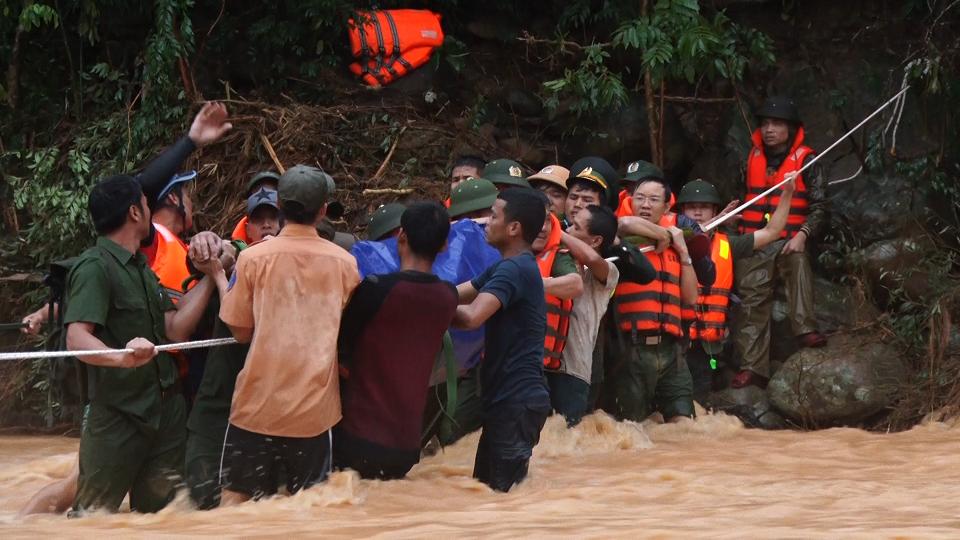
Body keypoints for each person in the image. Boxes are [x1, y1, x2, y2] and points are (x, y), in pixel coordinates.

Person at [64, 175, 226, 514]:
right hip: (118, 416)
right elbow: (76, 337)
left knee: (161, 518)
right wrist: (122, 358)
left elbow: (175, 329)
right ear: (135, 213)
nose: (152, 209)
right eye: (147, 202)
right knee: (92, 519)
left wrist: (212, 276)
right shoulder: (95, 267)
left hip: (165, 410)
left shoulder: (142, 267)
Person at [219, 165, 360, 505]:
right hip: (313, 415)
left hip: (256, 408)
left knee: (234, 504)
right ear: (324, 210)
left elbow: (239, 331)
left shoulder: (252, 259)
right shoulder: (346, 264)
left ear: (279, 205)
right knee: (310, 512)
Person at [335, 202, 458, 479]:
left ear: (401, 236)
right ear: (444, 247)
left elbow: (340, 344)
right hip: (406, 444)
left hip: (358, 435)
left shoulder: (377, 289)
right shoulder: (447, 297)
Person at [184, 188, 281, 510]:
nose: (266, 226)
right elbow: (222, 251)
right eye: (259, 220)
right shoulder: (239, 255)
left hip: (267, 404)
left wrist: (216, 272)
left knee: (259, 499)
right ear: (248, 228)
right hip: (218, 398)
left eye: (273, 219)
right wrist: (207, 244)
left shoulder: (295, 263)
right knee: (204, 495)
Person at [452, 188, 551, 492]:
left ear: (513, 228)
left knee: (502, 495)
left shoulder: (513, 270)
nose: (486, 223)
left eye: (493, 216)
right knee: (489, 494)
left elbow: (471, 317)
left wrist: (433, 307)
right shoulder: (506, 266)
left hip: (516, 400)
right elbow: (455, 294)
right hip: (507, 399)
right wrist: (420, 293)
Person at [733, 96, 828, 389]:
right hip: (756, 243)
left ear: (791, 128)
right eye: (765, 124)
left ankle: (805, 329)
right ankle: (753, 367)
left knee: (798, 263)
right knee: (752, 297)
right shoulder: (749, 159)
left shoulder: (807, 160)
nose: (769, 129)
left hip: (790, 240)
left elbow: (821, 206)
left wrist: (804, 234)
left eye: (776, 124)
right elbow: (739, 200)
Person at [675, 179, 796, 400]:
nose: (698, 213)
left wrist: (787, 193)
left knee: (698, 398)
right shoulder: (668, 240)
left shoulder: (727, 245)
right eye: (692, 207)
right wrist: (717, 221)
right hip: (674, 339)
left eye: (704, 207)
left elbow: (772, 232)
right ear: (682, 211)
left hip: (707, 344)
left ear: (714, 210)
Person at [610, 177, 699, 422]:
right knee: (633, 426)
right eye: (639, 198)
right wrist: (664, 234)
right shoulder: (619, 237)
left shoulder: (678, 243)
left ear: (667, 207)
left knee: (684, 425)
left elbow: (691, 298)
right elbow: (625, 223)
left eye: (653, 199)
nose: (645, 204)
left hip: (672, 349)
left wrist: (682, 252)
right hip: (633, 348)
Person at [548, 205, 620, 425]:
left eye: (575, 227)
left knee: (565, 443)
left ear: (596, 240)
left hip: (573, 371)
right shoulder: (556, 257)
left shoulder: (608, 271)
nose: (568, 230)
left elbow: (589, 256)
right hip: (543, 363)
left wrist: (553, 230)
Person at [230, 171, 281, 242]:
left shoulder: (298, 243)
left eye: (273, 217)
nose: (266, 225)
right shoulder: (235, 249)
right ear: (248, 230)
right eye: (258, 219)